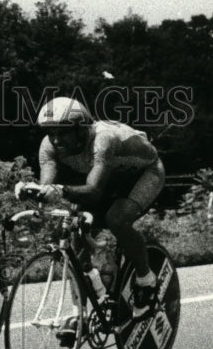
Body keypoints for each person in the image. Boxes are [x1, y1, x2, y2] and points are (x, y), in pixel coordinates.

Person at [17, 96, 166, 328]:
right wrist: (33, 191)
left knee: (117, 219)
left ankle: (146, 280)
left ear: (81, 129)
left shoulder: (103, 139)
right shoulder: (48, 145)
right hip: (108, 178)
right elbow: (48, 184)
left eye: (63, 132)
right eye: (51, 133)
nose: (56, 139)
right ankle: (81, 312)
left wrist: (61, 190)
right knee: (74, 235)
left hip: (144, 174)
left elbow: (94, 191)